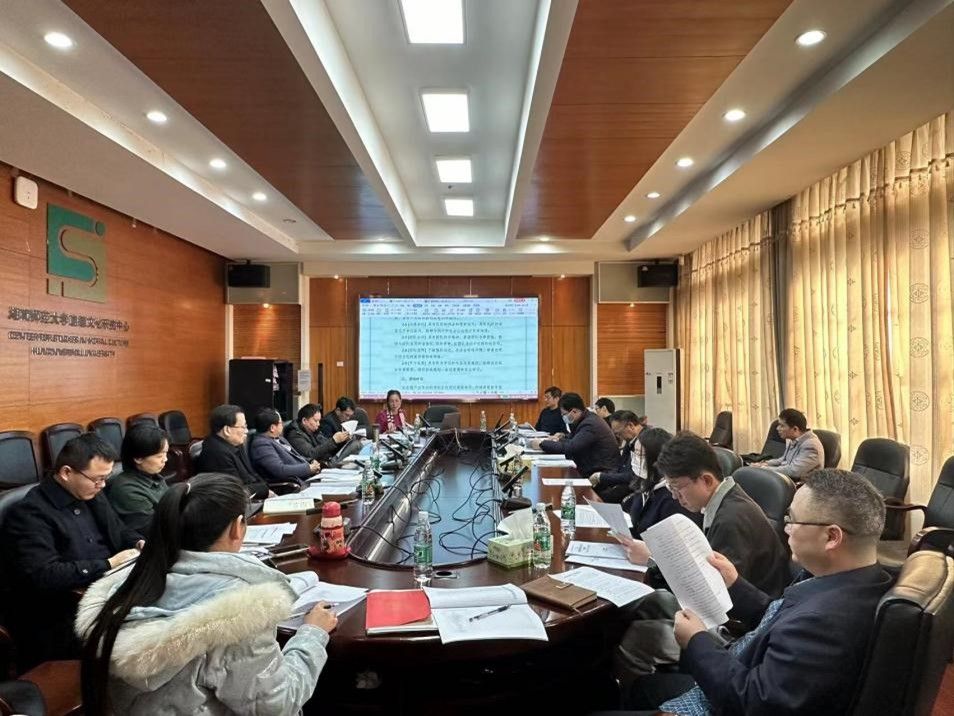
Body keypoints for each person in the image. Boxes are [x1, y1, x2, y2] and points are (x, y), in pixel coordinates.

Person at [622, 469, 892, 715]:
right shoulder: (853, 579)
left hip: (732, 694)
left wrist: (696, 641)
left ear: (831, 537)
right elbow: (780, 616)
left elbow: (753, 701)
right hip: (742, 663)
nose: (786, 528)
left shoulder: (827, 624)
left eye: (793, 520)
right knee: (644, 688)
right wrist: (735, 584)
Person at [76, 473, 337, 715]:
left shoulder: (124, 585)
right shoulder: (238, 613)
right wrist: (312, 634)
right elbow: (278, 705)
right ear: (238, 527)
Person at [611, 432, 791, 685]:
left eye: (677, 488)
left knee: (638, 638)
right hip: (728, 613)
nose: (675, 497)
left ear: (706, 480)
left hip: (738, 631)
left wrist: (655, 557)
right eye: (670, 488)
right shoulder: (725, 500)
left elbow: (718, 602)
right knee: (651, 601)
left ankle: (653, 693)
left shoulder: (731, 520)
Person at [2, 434, 142, 669]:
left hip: (108, 589)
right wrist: (108, 564)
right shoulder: (30, 513)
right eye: (97, 479)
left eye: (105, 478)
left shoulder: (90, 493)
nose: (102, 485)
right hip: (63, 612)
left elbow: (119, 530)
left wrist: (137, 542)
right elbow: (44, 575)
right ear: (67, 472)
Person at [622, 427, 700, 538]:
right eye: (635, 453)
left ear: (655, 458)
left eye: (639, 455)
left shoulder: (672, 497)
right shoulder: (644, 485)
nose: (635, 459)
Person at [529, 392, 619, 478]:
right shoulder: (585, 419)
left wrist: (542, 443)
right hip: (590, 467)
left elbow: (570, 448)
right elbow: (574, 439)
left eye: (564, 414)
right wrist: (559, 439)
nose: (563, 417)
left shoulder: (590, 424)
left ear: (574, 411)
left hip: (601, 474)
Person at [193, 405, 270, 499]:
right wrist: (264, 490)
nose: (246, 431)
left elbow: (252, 474)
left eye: (246, 426)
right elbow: (235, 491)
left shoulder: (236, 444)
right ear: (227, 430)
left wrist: (265, 488)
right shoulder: (216, 453)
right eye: (243, 427)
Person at [106, 423, 170, 533]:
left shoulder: (151, 475)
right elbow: (153, 532)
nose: (165, 459)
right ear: (138, 458)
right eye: (159, 456)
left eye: (166, 453)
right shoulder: (128, 490)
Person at [249, 408, 321, 487]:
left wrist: (310, 461)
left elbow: (295, 456)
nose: (283, 425)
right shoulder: (261, 445)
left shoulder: (279, 438)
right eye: (280, 423)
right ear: (272, 428)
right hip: (296, 484)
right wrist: (308, 469)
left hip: (308, 478)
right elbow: (280, 470)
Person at [589, 410, 645, 503]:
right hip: (624, 485)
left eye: (619, 433)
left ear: (631, 426)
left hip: (635, 490)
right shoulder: (631, 439)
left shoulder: (644, 442)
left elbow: (634, 476)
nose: (618, 437)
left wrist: (602, 477)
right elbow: (621, 467)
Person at [752, 408, 825, 479]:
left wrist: (763, 469)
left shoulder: (811, 445)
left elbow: (793, 471)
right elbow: (783, 460)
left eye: (782, 426)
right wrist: (764, 464)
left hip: (800, 484)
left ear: (795, 429)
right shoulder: (795, 439)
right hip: (789, 479)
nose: (777, 428)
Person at [285, 403, 351, 463]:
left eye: (319, 421)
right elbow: (311, 454)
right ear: (304, 420)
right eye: (316, 421)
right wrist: (333, 441)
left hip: (326, 461)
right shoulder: (295, 435)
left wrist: (341, 440)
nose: (318, 424)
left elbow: (325, 445)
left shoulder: (313, 431)